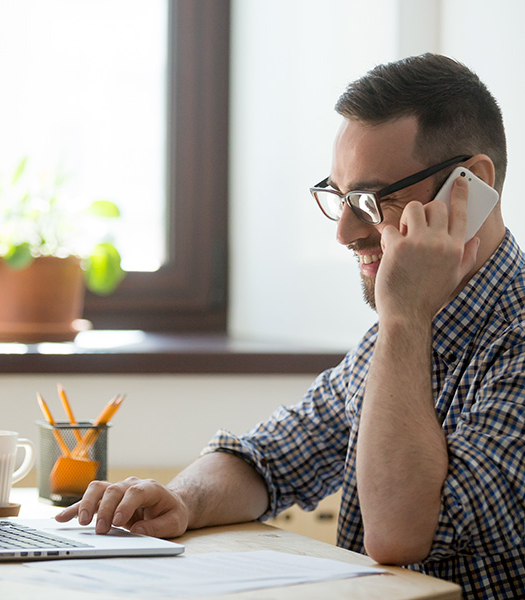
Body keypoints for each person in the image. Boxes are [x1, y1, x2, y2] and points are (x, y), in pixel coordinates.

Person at [56, 54, 525, 599]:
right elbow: (270, 459)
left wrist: (403, 318)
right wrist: (181, 498)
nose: (345, 231)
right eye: (340, 197)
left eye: (374, 200)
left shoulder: (455, 332)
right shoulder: (404, 333)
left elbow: (400, 536)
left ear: (470, 188)